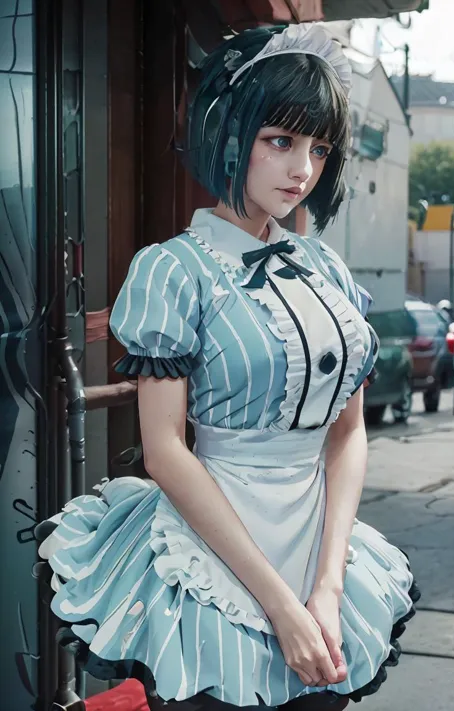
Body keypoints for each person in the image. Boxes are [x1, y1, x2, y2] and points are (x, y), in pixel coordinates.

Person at [37, 23, 419, 710]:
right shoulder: (172, 269)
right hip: (211, 555)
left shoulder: (328, 269)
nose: (303, 168)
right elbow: (166, 450)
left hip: (321, 550)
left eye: (318, 147)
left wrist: (327, 587)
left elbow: (347, 430)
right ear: (229, 132)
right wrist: (283, 606)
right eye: (281, 141)